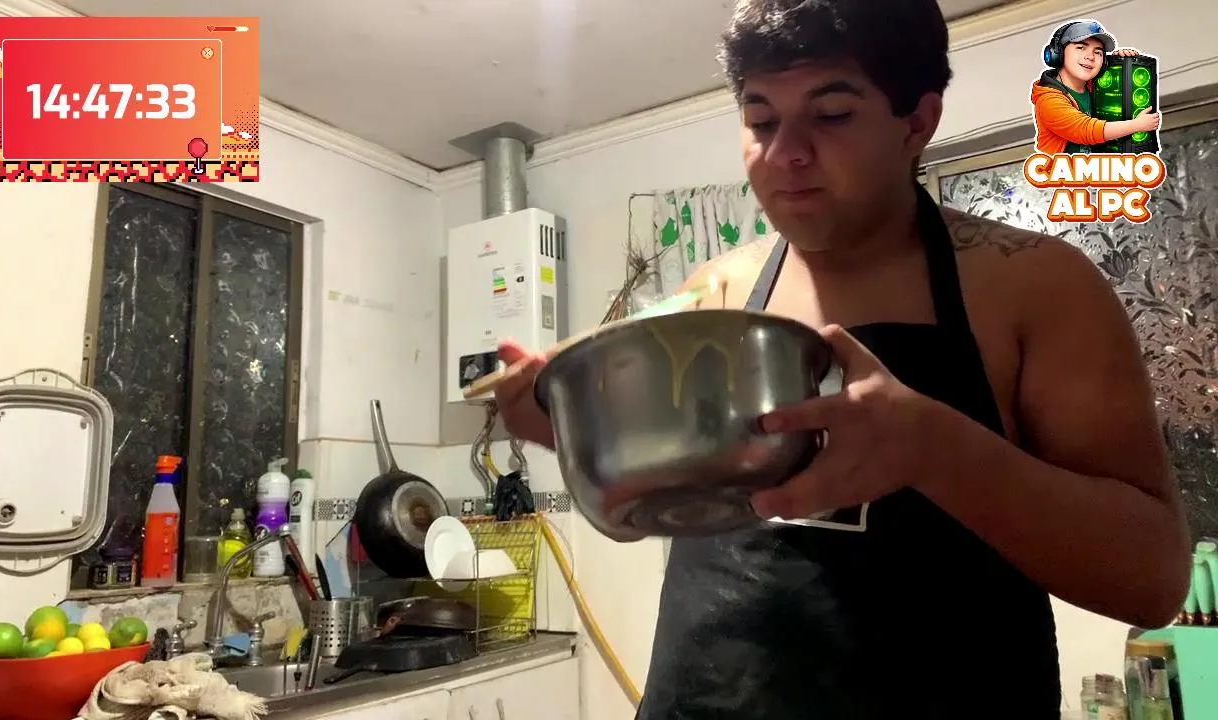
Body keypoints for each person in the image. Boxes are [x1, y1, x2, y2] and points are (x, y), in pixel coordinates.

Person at [492, 0, 1190, 717]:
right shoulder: (720, 288)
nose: (785, 153)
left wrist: (933, 448)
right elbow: (646, 477)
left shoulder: (1034, 284)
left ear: (917, 122)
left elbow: (1153, 579)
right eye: (761, 121)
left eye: (830, 115)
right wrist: (572, 418)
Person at [1032, 20, 1162, 155]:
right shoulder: (1048, 100)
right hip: (1061, 168)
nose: (1090, 57)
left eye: (1098, 52)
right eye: (1081, 48)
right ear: (1058, 54)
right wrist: (1137, 125)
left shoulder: (1094, 85)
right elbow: (1086, 130)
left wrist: (1120, 61)